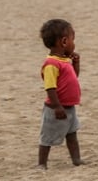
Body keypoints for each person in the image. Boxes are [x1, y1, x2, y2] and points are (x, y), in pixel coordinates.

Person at [37, 19, 84, 169]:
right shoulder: (51, 64)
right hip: (56, 109)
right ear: (64, 42)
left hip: (69, 107)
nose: (73, 44)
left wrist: (76, 64)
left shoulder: (64, 61)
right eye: (72, 40)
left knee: (72, 134)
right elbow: (50, 87)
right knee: (47, 137)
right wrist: (57, 107)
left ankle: (76, 160)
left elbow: (73, 78)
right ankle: (42, 163)